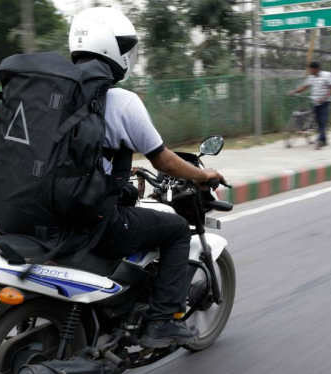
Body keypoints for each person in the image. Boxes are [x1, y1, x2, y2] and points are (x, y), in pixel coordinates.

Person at [69, 7, 227, 348]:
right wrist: (202, 174)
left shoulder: (52, 98)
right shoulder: (121, 102)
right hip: (94, 222)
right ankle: (161, 322)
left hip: (45, 219)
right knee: (175, 230)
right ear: (113, 49)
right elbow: (164, 161)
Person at [289, 61, 331, 149]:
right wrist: (294, 91)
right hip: (315, 101)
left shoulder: (327, 75)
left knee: (322, 120)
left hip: (325, 101)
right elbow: (304, 87)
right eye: (309, 69)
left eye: (311, 69)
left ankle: (320, 141)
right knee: (318, 121)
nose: (310, 71)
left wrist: (324, 98)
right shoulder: (311, 77)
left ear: (317, 69)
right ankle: (323, 140)